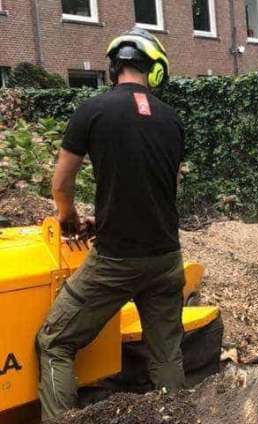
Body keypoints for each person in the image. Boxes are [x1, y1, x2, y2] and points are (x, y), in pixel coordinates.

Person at [36, 28, 187, 421]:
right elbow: (161, 191)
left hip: (116, 260)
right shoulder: (172, 121)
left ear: (114, 67)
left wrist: (69, 219)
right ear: (155, 71)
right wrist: (102, 219)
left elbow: (61, 184)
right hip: (166, 257)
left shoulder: (93, 110)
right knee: (167, 354)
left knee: (55, 341)